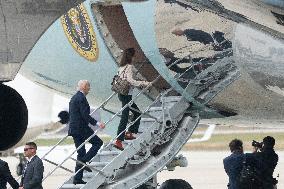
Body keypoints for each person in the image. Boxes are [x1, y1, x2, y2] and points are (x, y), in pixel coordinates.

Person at [68, 80, 105, 185]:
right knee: (98, 143)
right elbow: (85, 115)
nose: (89, 89)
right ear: (83, 87)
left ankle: (77, 178)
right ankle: (84, 162)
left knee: (81, 152)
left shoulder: (74, 97)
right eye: (88, 86)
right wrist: (98, 123)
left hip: (74, 129)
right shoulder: (81, 98)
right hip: (81, 128)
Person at [114, 48, 151, 151]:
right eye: (134, 55)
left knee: (137, 113)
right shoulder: (129, 67)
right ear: (131, 56)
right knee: (125, 117)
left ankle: (129, 133)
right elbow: (130, 81)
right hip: (126, 95)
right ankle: (118, 141)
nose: (134, 58)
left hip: (122, 94)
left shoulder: (121, 67)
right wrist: (143, 83)